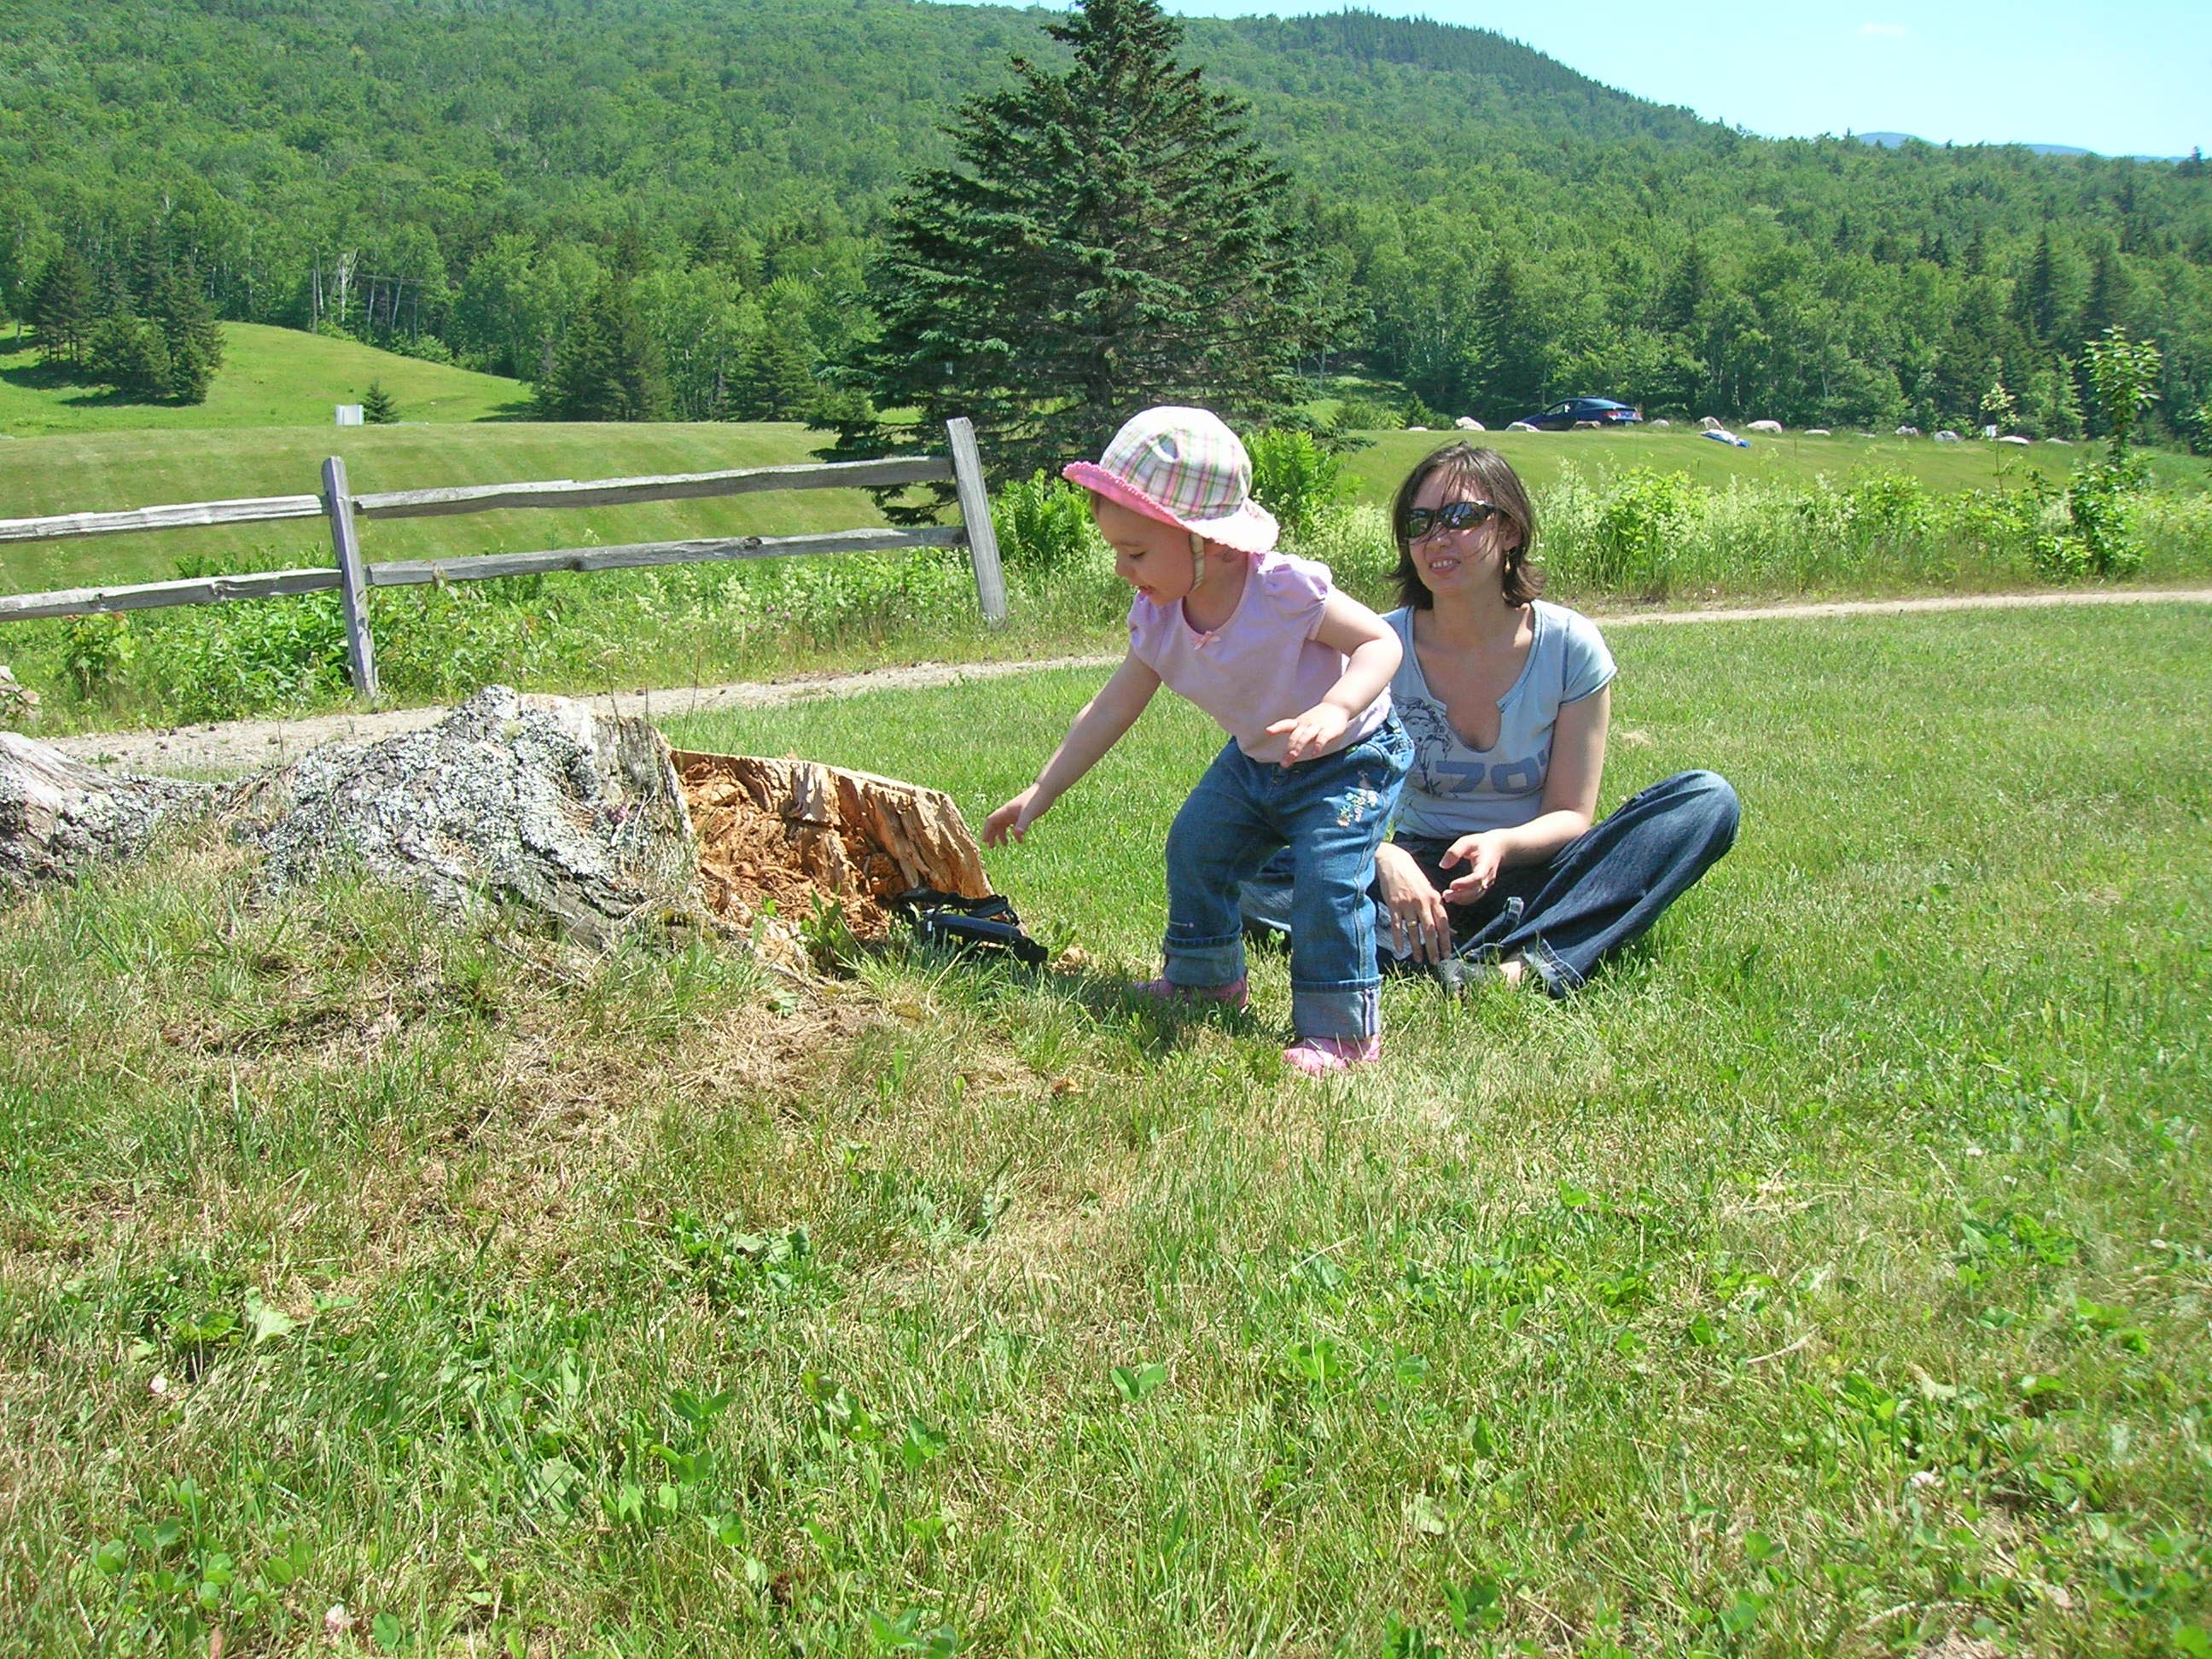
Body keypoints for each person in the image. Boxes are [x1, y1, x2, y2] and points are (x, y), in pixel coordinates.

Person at [983, 406, 1412, 1076]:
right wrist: (1043, 788)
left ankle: (1342, 1031)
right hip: (1258, 759)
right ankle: (1205, 979)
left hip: (1350, 758)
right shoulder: (1158, 618)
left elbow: (1379, 642)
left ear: (1213, 544)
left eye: (1136, 552)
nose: (1123, 569)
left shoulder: (1282, 590)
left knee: (1328, 881)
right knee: (1197, 845)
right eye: (1117, 551)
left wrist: (1335, 708)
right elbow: (1111, 708)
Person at [1243, 442, 1738, 995]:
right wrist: (1382, 854)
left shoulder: (1568, 645)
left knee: (1706, 801)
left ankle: (1510, 969)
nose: (1437, 538)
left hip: (1537, 861)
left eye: (1460, 517)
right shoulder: (1377, 645)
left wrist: (1501, 845)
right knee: (1250, 878)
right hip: (1418, 867)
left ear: (1510, 531)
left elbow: (1571, 815)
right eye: (1420, 522)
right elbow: (1312, 797)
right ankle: (1509, 939)